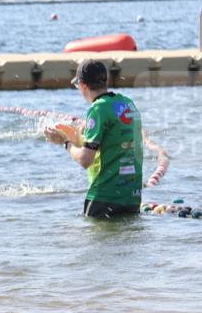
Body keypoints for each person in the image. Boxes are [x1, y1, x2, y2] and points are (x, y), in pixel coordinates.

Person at [44, 59, 142, 218]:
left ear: (82, 85)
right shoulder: (127, 103)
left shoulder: (97, 109)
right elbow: (113, 144)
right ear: (106, 80)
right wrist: (78, 135)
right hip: (131, 197)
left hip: (104, 198)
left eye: (77, 86)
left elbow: (85, 159)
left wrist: (64, 142)